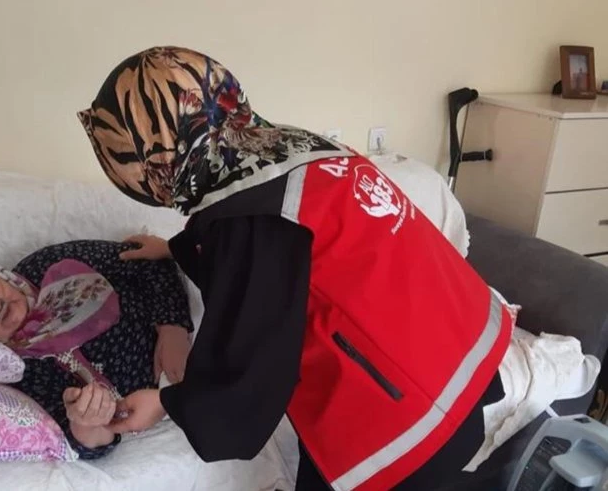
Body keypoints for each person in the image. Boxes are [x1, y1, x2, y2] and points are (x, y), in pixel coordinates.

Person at [77, 46, 513, 491]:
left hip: (409, 414)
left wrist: (167, 403)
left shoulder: (248, 221)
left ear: (156, 151)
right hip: (457, 356)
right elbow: (305, 246)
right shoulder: (290, 147)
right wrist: (176, 249)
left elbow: (251, 373)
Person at [0, 240, 193, 459]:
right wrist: (87, 422)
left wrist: (173, 328)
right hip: (170, 407)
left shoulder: (48, 266)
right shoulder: (12, 373)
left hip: (197, 341)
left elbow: (145, 256)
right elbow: (92, 446)